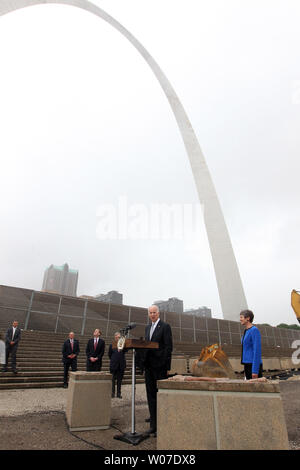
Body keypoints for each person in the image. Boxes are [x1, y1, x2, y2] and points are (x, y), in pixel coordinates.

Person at [142, 305, 173, 437]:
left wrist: (166, 367)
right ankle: (153, 425)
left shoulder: (165, 327)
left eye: (154, 312)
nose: (152, 314)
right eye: (150, 312)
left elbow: (168, 347)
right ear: (148, 314)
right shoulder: (147, 327)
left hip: (160, 366)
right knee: (150, 395)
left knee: (160, 395)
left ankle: (163, 423)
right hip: (148, 366)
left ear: (159, 313)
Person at [240, 309, 263, 380]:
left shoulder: (254, 330)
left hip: (253, 365)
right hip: (247, 365)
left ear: (248, 318)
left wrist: (255, 371)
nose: (240, 319)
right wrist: (245, 368)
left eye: (241, 317)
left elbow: (257, 351)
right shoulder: (246, 331)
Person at [108, 331, 127, 399]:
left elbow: (125, 351)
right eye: (117, 337)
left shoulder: (123, 345)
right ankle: (112, 393)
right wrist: (114, 360)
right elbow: (109, 354)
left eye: (119, 337)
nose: (118, 338)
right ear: (115, 337)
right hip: (114, 365)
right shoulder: (112, 345)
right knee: (113, 380)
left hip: (121, 365)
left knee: (119, 380)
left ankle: (119, 393)